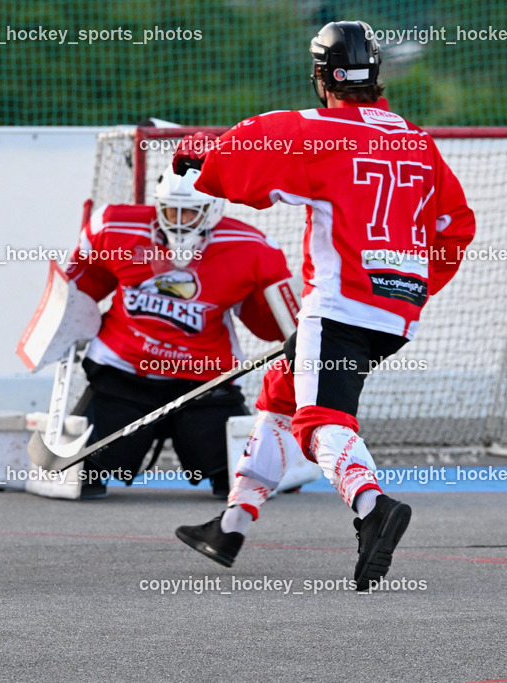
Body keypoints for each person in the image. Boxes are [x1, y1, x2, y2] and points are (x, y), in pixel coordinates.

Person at [173, 20, 476, 589]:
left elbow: (245, 152)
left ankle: (372, 506)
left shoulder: (318, 131)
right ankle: (231, 524)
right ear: (376, 74)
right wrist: (412, 285)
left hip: (338, 307)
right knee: (281, 393)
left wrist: (200, 156)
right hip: (396, 314)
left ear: (321, 76)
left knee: (319, 421)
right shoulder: (418, 141)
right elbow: (455, 227)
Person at [65, 164, 292, 499]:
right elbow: (79, 289)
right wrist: (62, 327)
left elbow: (270, 326)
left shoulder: (252, 248)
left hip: (204, 380)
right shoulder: (114, 226)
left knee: (236, 482)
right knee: (83, 477)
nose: (180, 221)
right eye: (172, 210)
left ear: (213, 209)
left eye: (192, 212)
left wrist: (298, 323)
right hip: (124, 372)